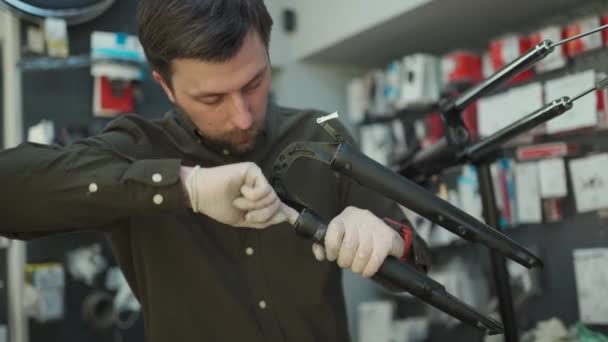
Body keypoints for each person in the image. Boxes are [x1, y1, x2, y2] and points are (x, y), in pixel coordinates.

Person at [0, 0, 430, 341]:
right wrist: (188, 186)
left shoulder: (322, 134)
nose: (242, 117)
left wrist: (388, 237)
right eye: (212, 99)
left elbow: (416, 271)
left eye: (254, 83)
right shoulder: (137, 147)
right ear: (165, 85)